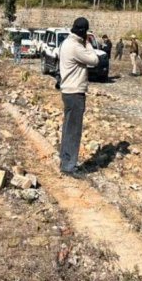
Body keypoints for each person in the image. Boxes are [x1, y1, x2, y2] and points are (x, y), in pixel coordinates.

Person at [58, 17, 99, 175]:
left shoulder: (66, 43)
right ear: (83, 32)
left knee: (68, 127)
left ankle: (65, 159)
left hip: (67, 91)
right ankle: (69, 166)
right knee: (74, 130)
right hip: (75, 92)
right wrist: (87, 42)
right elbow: (94, 60)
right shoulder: (76, 46)